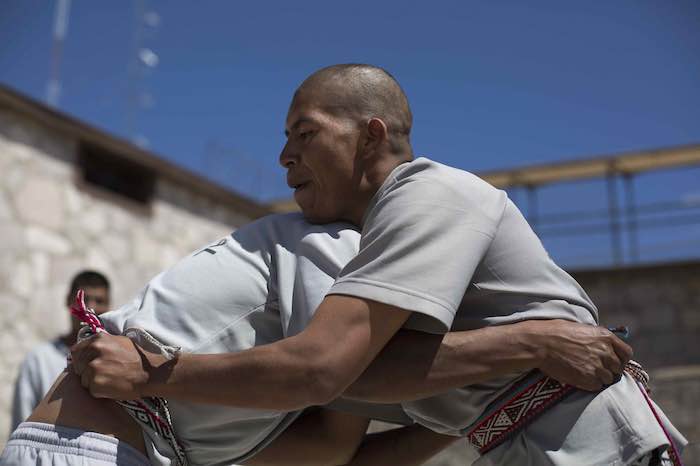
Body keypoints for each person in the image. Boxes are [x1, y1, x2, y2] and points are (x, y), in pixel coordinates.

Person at [68, 64, 686, 465]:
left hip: (594, 446)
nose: (284, 157)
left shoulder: (431, 192)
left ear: (370, 134)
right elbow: (351, 383)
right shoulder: (371, 247)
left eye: (303, 133)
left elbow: (323, 370)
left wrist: (151, 372)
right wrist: (530, 343)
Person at [1, 214, 616, 466]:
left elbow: (327, 451)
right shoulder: (339, 252)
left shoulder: (368, 333)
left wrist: (489, 407)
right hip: (83, 449)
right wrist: (536, 345)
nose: (286, 156)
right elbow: (318, 369)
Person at [10, 270, 110, 431]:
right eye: (83, 300)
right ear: (68, 301)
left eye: (99, 301)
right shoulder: (39, 360)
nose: (90, 308)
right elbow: (21, 423)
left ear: (109, 306)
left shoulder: (115, 362)